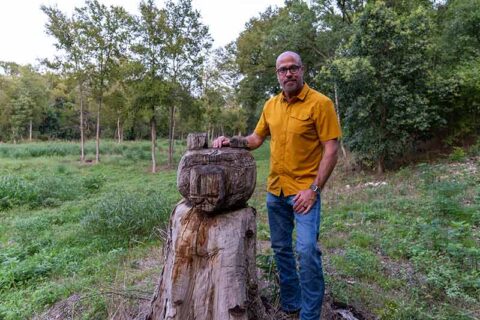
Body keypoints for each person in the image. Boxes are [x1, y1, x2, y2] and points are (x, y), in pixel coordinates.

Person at [213, 51, 341, 320]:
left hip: (304, 193)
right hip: (276, 192)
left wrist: (314, 190)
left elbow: (331, 148)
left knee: (306, 251)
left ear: (302, 70)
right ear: (277, 75)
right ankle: (291, 302)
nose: (288, 73)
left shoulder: (321, 103)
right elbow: (257, 138)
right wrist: (231, 141)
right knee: (281, 249)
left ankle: (310, 314)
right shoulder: (271, 105)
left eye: (293, 68)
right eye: (283, 70)